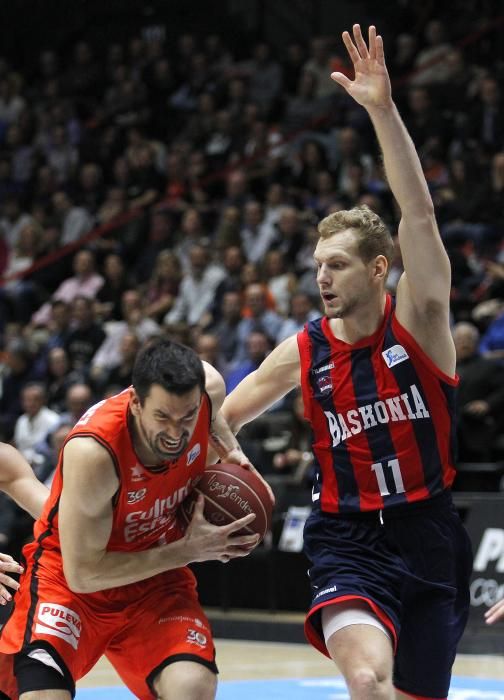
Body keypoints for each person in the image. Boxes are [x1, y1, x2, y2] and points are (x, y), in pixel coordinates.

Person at [222, 25, 473, 700]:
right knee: (366, 679)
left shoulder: (419, 320)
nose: (322, 279)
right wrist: (225, 462)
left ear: (378, 268)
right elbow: (225, 417)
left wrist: (382, 110)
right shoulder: (304, 348)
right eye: (316, 267)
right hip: (347, 538)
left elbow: (417, 213)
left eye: (336, 265)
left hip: (430, 533)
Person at [0, 337, 272, 700]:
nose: (176, 433)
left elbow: (235, 384)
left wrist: (230, 445)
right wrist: (187, 550)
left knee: (191, 687)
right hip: (71, 581)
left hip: (153, 579)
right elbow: (84, 575)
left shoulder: (207, 391)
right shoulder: (94, 453)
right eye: (163, 417)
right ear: (136, 403)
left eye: (188, 417)